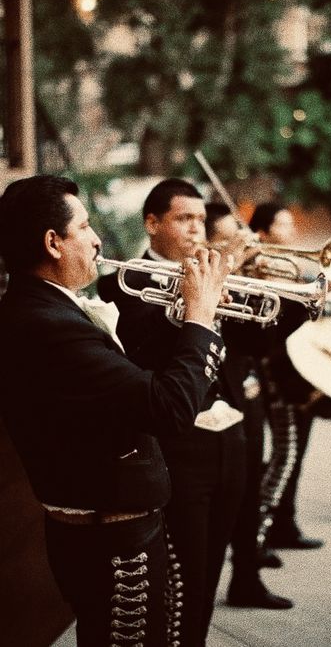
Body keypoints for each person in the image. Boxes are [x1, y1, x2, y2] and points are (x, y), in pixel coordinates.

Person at [0, 175, 231, 647]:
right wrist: (200, 317)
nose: (97, 239)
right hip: (116, 548)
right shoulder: (48, 324)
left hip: (112, 534)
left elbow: (126, 392)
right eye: (84, 228)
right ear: (53, 243)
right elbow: (168, 408)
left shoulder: (41, 309)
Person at [98, 180, 248, 647]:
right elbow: (141, 351)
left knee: (210, 569)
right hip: (179, 447)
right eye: (185, 219)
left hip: (228, 437)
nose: (197, 229)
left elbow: (248, 349)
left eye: (202, 220)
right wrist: (194, 306)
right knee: (182, 578)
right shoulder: (122, 281)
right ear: (152, 223)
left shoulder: (212, 270)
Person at [205, 202, 293, 609]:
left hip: (248, 393)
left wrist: (288, 299)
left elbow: (264, 343)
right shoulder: (205, 282)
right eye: (225, 238)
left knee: (250, 487)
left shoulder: (241, 279)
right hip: (211, 407)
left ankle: (247, 576)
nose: (235, 246)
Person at [248, 203, 324, 552]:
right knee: (285, 453)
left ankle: (284, 525)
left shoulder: (288, 269)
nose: (290, 232)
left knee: (296, 451)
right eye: (282, 225)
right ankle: (256, 538)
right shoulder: (257, 269)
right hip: (275, 372)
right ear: (262, 232)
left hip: (300, 368)